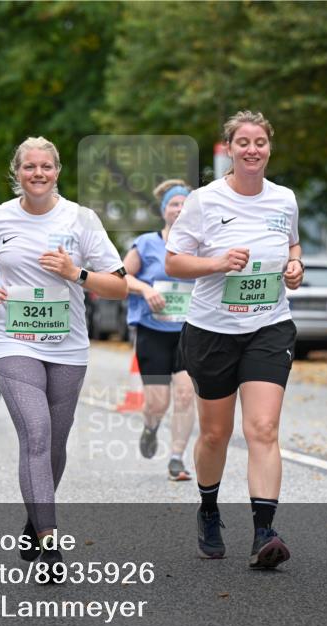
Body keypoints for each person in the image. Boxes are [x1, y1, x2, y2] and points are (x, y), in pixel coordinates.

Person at [0, 137, 127, 574]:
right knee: (35, 435)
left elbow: (118, 284)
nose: (37, 174)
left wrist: (75, 272)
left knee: (55, 444)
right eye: (29, 167)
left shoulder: (81, 219)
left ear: (57, 171)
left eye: (46, 167)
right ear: (16, 172)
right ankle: (51, 544)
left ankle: (35, 518)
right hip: (12, 340)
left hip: (68, 346)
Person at [165, 110, 304, 569]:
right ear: (229, 148)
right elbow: (174, 263)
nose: (252, 149)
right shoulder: (204, 201)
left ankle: (265, 532)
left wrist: (296, 266)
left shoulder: (284, 200)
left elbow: (293, 247)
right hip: (212, 332)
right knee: (215, 434)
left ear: (269, 147)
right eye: (243, 142)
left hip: (269, 325)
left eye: (260, 142)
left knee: (262, 429)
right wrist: (218, 263)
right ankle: (208, 510)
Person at [123, 178, 197, 481]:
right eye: (174, 204)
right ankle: (151, 427)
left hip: (189, 332)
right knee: (157, 402)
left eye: (184, 204)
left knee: (185, 395)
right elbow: (119, 277)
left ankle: (177, 458)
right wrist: (144, 289)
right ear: (164, 210)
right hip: (153, 332)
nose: (179, 210)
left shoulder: (200, 244)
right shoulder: (146, 244)